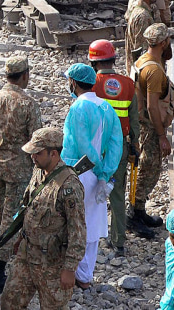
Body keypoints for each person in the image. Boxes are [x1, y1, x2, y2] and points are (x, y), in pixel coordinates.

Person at [0, 127, 86, 310]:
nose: (33, 157)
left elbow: (77, 230)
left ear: (53, 153)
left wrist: (70, 269)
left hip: (52, 263)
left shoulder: (69, 186)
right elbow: (30, 207)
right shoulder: (38, 172)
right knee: (10, 302)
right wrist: (21, 237)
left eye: (37, 153)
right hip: (27, 253)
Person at [0, 55, 42, 291]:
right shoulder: (27, 103)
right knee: (11, 219)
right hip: (20, 170)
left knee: (5, 211)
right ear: (24, 75)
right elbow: (37, 140)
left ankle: (11, 251)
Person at [61, 63, 123, 287]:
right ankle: (85, 275)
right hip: (99, 177)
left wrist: (95, 166)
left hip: (78, 171)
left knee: (73, 221)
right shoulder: (107, 108)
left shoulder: (78, 107)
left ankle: (71, 272)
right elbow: (117, 145)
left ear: (74, 83)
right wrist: (105, 174)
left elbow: (81, 143)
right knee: (93, 222)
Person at [89, 39, 148, 254]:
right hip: (118, 147)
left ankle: (89, 237)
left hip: (94, 147)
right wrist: (134, 144)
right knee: (117, 192)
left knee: (89, 189)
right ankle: (118, 241)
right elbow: (134, 122)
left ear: (93, 62)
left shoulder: (90, 82)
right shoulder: (128, 84)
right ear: (113, 60)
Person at [132, 23, 174, 232]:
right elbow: (151, 105)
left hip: (141, 124)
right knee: (148, 170)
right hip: (150, 128)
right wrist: (161, 136)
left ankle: (138, 211)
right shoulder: (154, 71)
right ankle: (134, 214)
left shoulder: (142, 60)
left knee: (145, 167)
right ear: (164, 42)